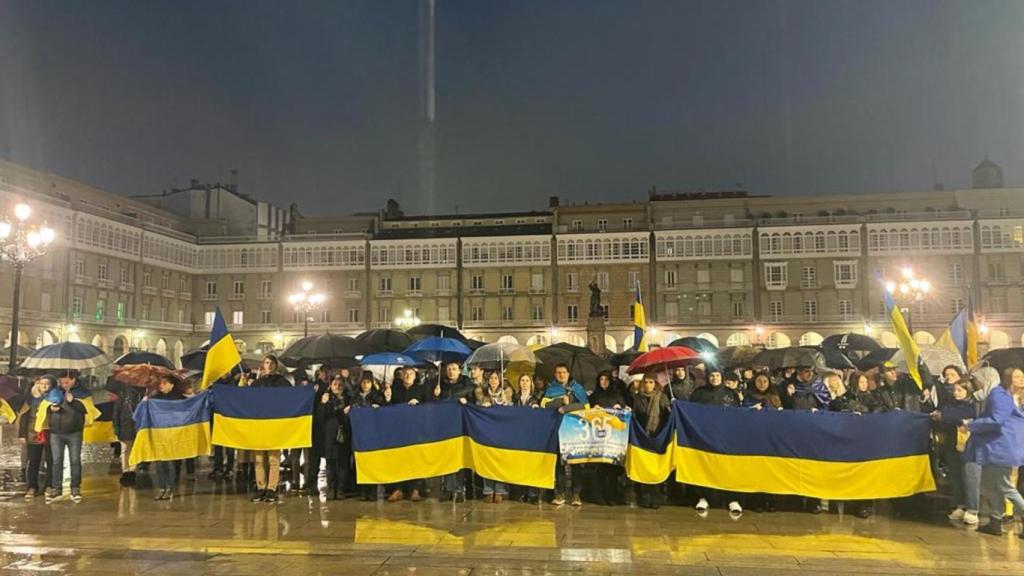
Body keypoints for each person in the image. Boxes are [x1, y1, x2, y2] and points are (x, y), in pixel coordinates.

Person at [962, 366, 1024, 538]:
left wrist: (970, 426)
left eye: (1022, 376)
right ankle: (995, 522)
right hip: (998, 447)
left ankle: (999, 520)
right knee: (992, 486)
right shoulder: (1005, 395)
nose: (1021, 379)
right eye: (1017, 376)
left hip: (999, 447)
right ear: (1008, 378)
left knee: (1004, 485)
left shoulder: (1000, 395)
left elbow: (997, 420)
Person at [690, 367, 742, 516]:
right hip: (704, 437)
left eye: (717, 375)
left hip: (726, 437)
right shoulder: (699, 393)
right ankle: (704, 497)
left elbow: (738, 414)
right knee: (705, 467)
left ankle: (732, 499)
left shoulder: (731, 394)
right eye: (711, 375)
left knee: (728, 468)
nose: (714, 378)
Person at [541, 364, 588, 507]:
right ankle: (560, 493)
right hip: (558, 429)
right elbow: (544, 404)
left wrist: (568, 406)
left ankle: (576, 494)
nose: (561, 375)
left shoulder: (577, 388)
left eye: (563, 372)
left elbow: (586, 406)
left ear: (568, 374)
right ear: (555, 375)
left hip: (575, 430)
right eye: (558, 372)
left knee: (576, 462)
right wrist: (561, 401)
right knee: (559, 463)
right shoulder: (551, 389)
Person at [247, 354, 291, 503]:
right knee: (258, 459)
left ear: (275, 366)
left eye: (272, 363)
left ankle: (271, 489)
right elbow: (247, 401)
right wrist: (243, 386)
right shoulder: (257, 383)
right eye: (266, 362)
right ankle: (261, 487)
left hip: (274, 425)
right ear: (263, 365)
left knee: (273, 458)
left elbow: (290, 399)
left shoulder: (282, 383)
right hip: (259, 425)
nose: (269, 365)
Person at [931, 378, 975, 523]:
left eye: (960, 390)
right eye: (954, 390)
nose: (956, 393)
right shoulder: (948, 403)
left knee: (968, 478)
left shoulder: (972, 405)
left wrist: (945, 416)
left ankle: (971, 508)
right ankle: (960, 505)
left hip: (967, 447)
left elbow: (961, 415)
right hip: (951, 444)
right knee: (955, 476)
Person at [42, 370, 90, 504]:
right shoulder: (54, 392)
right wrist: (50, 408)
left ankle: (75, 488)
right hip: (56, 432)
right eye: (62, 382)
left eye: (67, 382)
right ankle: (57, 489)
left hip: (74, 432)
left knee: (75, 460)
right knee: (56, 461)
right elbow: (43, 406)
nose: (64, 384)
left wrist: (73, 401)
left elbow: (87, 410)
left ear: (74, 380)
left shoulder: (83, 392)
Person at [384, 367, 431, 502]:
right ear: (401, 376)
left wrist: (419, 404)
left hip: (416, 430)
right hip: (398, 430)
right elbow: (387, 409)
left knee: (416, 459)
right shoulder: (395, 390)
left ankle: (415, 489)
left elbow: (429, 407)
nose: (408, 376)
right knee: (399, 460)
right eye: (405, 374)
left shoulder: (421, 390)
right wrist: (387, 398)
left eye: (411, 374)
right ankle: (398, 489)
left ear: (415, 376)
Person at [588, 370, 628, 505]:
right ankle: (600, 495)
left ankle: (613, 495)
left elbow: (624, 409)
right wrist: (594, 408)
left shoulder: (616, 395)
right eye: (601, 379)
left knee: (613, 468)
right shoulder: (594, 396)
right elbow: (587, 412)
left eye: (606, 379)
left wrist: (619, 407)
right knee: (600, 468)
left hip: (614, 438)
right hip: (598, 438)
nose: (603, 382)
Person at [632, 374, 670, 509]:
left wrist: (672, 408)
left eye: (651, 382)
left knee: (656, 466)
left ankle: (656, 496)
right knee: (644, 466)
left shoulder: (662, 397)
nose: (648, 385)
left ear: (655, 384)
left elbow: (668, 414)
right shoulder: (637, 398)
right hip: (642, 437)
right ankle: (644, 496)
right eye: (646, 382)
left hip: (658, 436)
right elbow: (633, 415)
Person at [476, 370, 513, 503]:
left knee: (499, 460)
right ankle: (488, 490)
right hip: (487, 431)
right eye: (491, 378)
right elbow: (477, 409)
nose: (493, 380)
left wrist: (506, 402)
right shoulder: (482, 393)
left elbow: (511, 411)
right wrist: (483, 405)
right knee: (487, 460)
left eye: (496, 378)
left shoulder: (507, 393)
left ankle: (500, 490)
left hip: (501, 431)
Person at [148, 375, 186, 500]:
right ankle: (161, 487)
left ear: (171, 384)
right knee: (159, 463)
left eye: (164, 383)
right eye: (161, 383)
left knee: (170, 463)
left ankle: (170, 488)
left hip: (173, 435)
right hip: (159, 435)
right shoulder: (156, 397)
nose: (161, 385)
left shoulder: (178, 398)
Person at [347, 374, 383, 501]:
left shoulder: (377, 397)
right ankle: (362, 491)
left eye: (368, 382)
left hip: (373, 434)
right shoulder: (354, 397)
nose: (366, 385)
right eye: (363, 382)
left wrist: (379, 408)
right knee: (360, 462)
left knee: (372, 461)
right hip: (358, 434)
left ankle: (372, 491)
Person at [105, 375, 145, 487]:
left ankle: (130, 470)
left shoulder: (140, 396)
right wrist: (116, 426)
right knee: (127, 449)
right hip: (126, 426)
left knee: (129, 449)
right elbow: (117, 412)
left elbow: (116, 412)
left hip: (133, 426)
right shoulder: (124, 395)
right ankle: (128, 470)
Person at [19, 375, 54, 499]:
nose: (44, 386)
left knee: (51, 461)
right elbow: (24, 416)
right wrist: (22, 434)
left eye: (47, 383)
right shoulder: (30, 398)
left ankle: (49, 485)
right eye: (41, 383)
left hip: (50, 433)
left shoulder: (56, 398)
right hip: (33, 433)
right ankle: (32, 486)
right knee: (33, 461)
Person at [319, 374, 349, 500]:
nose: (337, 387)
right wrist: (323, 403)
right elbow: (320, 417)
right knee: (330, 464)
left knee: (343, 464)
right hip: (329, 435)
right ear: (331, 386)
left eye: (340, 384)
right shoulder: (327, 398)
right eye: (335, 384)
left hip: (344, 434)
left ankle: (341, 489)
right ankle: (331, 488)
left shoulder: (348, 399)